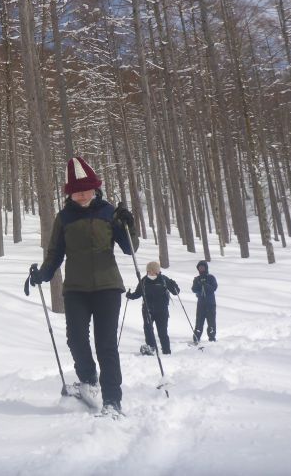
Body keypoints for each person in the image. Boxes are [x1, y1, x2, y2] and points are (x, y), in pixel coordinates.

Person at [27, 157, 138, 414]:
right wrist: (42, 275)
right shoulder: (64, 217)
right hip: (76, 289)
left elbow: (129, 247)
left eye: (86, 189)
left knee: (105, 344)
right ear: (70, 193)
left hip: (108, 286)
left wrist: (128, 223)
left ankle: (112, 400)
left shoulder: (109, 212)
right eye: (77, 191)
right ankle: (88, 381)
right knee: (76, 339)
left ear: (95, 188)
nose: (82, 194)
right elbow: (55, 253)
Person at [126, 261, 180, 355]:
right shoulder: (144, 280)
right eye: (149, 271)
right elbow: (138, 293)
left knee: (162, 331)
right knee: (148, 330)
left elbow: (176, 292)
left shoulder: (163, 279)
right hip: (147, 310)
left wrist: (174, 285)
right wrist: (130, 296)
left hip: (162, 311)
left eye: (153, 271)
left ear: (158, 271)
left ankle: (166, 351)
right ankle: (151, 348)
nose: (151, 273)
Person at [192, 260, 218, 343]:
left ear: (206, 268)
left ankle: (212, 338)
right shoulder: (197, 279)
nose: (201, 269)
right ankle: (196, 337)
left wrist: (206, 285)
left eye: (203, 267)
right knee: (199, 321)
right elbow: (194, 289)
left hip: (210, 304)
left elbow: (214, 288)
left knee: (211, 321)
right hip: (201, 304)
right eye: (200, 267)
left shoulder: (211, 277)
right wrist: (199, 285)